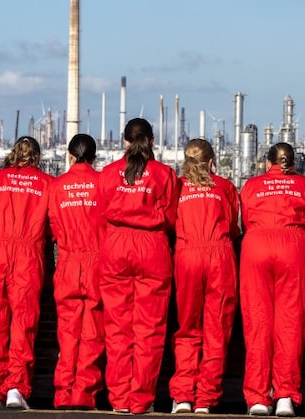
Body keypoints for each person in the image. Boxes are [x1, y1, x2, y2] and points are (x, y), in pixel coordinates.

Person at [97, 118, 178, 414]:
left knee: (117, 326)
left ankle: (119, 398)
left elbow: (100, 214)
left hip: (116, 245)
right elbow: (171, 217)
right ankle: (141, 399)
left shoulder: (108, 174)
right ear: (152, 141)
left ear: (125, 142)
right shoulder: (164, 174)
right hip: (152, 246)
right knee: (150, 328)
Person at [239, 142, 305, 417]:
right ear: (293, 163)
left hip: (256, 245)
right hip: (293, 246)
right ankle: (285, 395)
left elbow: (245, 220)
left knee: (257, 321)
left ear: (267, 163)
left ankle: (258, 397)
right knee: (292, 321)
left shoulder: (251, 185)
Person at [0, 136, 53, 410]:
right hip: (28, 252)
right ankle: (16, 389)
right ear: (37, 157)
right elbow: (51, 224)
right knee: (24, 322)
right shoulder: (46, 183)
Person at [169, 138, 240, 415]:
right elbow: (233, 226)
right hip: (219, 256)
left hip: (187, 256)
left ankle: (183, 396)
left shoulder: (178, 187)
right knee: (217, 329)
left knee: (187, 327)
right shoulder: (225, 187)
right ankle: (206, 398)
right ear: (211, 162)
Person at [48, 134, 105, 410]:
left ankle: (63, 392)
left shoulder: (57, 186)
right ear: (94, 157)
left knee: (67, 332)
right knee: (93, 330)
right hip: (96, 261)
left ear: (70, 156)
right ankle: (85, 393)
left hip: (68, 261)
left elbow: (53, 225)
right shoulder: (103, 183)